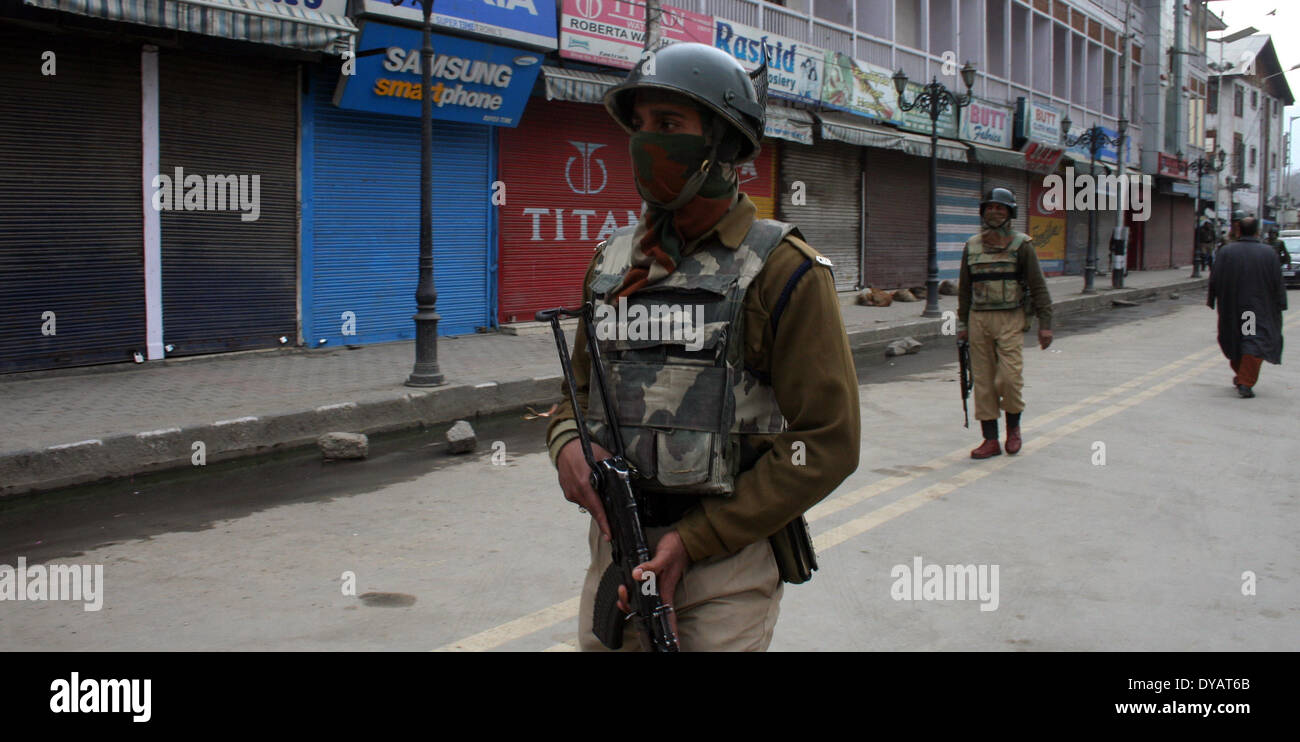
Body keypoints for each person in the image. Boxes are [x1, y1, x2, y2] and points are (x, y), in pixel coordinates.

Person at [544, 42, 861, 651]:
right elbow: (574, 395)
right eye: (639, 126)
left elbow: (828, 441)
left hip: (723, 566)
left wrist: (695, 541)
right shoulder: (610, 265)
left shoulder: (783, 271)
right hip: (617, 556)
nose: (646, 143)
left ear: (722, 145)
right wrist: (566, 444)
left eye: (669, 126)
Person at [956, 188, 1053, 459]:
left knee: (1009, 379)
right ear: (983, 212)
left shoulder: (1022, 245)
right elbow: (964, 289)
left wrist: (1046, 323)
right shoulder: (972, 246)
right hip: (978, 319)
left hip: (1011, 317)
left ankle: (1014, 431)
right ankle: (990, 439)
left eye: (1001, 208)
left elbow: (1038, 286)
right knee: (984, 382)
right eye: (990, 207)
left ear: (1010, 212)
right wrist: (962, 324)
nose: (995, 212)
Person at [1207, 216, 1287, 398]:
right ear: (1258, 232)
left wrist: (1212, 299)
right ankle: (1245, 382)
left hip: (1232, 308)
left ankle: (1243, 376)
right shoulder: (1268, 253)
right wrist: (1281, 303)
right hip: (1253, 309)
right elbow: (1277, 281)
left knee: (1238, 340)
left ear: (1239, 230)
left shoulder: (1226, 251)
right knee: (1251, 341)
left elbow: (1215, 277)